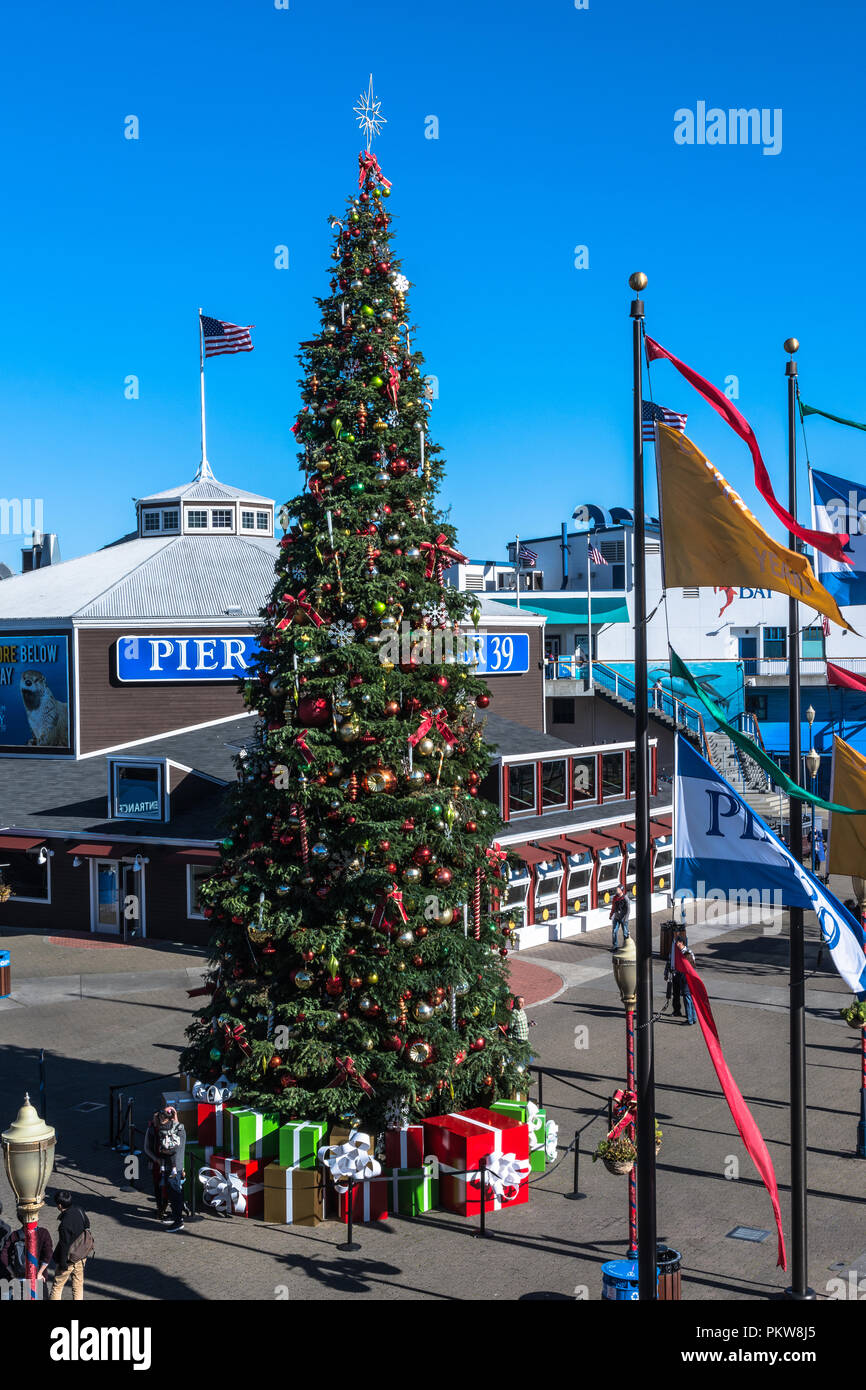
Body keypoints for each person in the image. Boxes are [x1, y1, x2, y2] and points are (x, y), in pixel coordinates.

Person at [143, 1106, 186, 1232]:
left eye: (161, 1117)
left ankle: (178, 1221)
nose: (158, 1119)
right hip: (170, 1167)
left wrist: (161, 1153)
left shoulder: (173, 1130)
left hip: (174, 1168)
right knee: (172, 1193)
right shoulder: (175, 1127)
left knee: (174, 1192)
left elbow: (173, 1149)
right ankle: (175, 1216)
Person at [49, 1192, 90, 1301]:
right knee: (78, 1285)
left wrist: (62, 1264)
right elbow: (87, 1225)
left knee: (57, 1287)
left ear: (60, 1206)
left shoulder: (64, 1224)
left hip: (68, 1260)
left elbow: (64, 1245)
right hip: (81, 1255)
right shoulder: (79, 1210)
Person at [0, 1218, 53, 1289]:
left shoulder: (15, 1235)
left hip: (20, 1277)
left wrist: (12, 1272)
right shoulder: (43, 1233)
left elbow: (4, 1255)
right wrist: (40, 1273)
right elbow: (48, 1254)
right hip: (37, 1278)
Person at [670, 928, 697, 1025]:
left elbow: (691, 967)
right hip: (682, 977)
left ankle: (690, 1019)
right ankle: (692, 1018)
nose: (676, 944)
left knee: (687, 998)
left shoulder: (687, 953)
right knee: (688, 997)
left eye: (678, 942)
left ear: (682, 943)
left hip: (685, 979)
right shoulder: (681, 952)